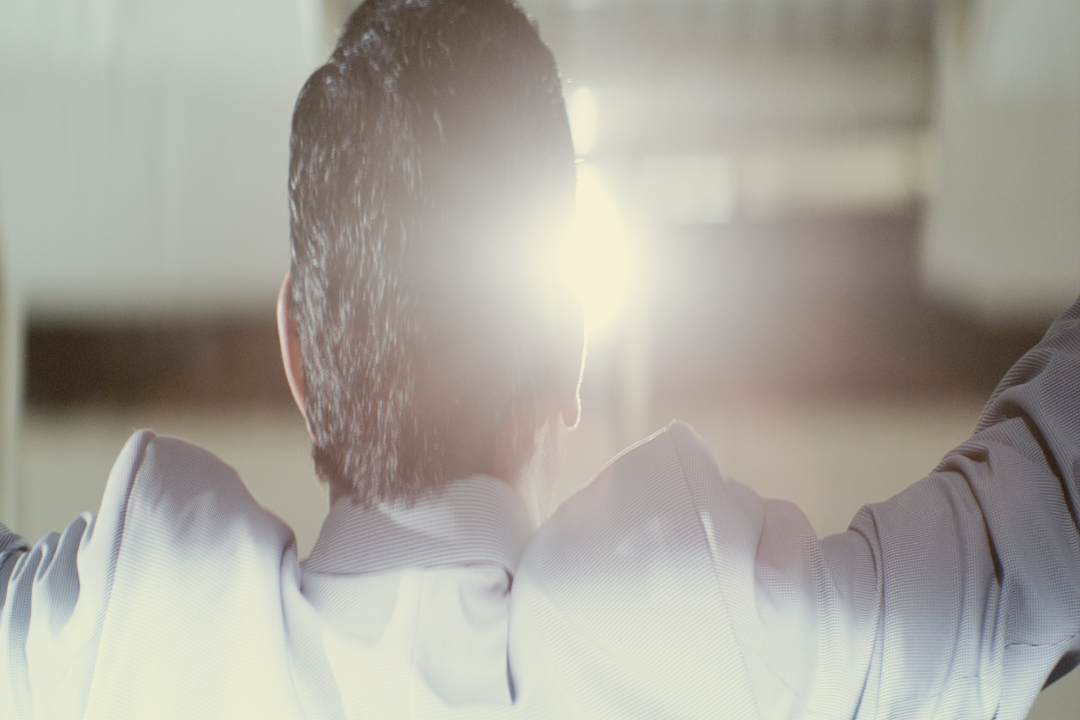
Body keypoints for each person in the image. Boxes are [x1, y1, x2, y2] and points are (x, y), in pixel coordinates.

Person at [0, 0, 1077, 718]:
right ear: (567, 341)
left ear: (296, 348)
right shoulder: (710, 633)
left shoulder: (131, 632)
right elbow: (1038, 537)